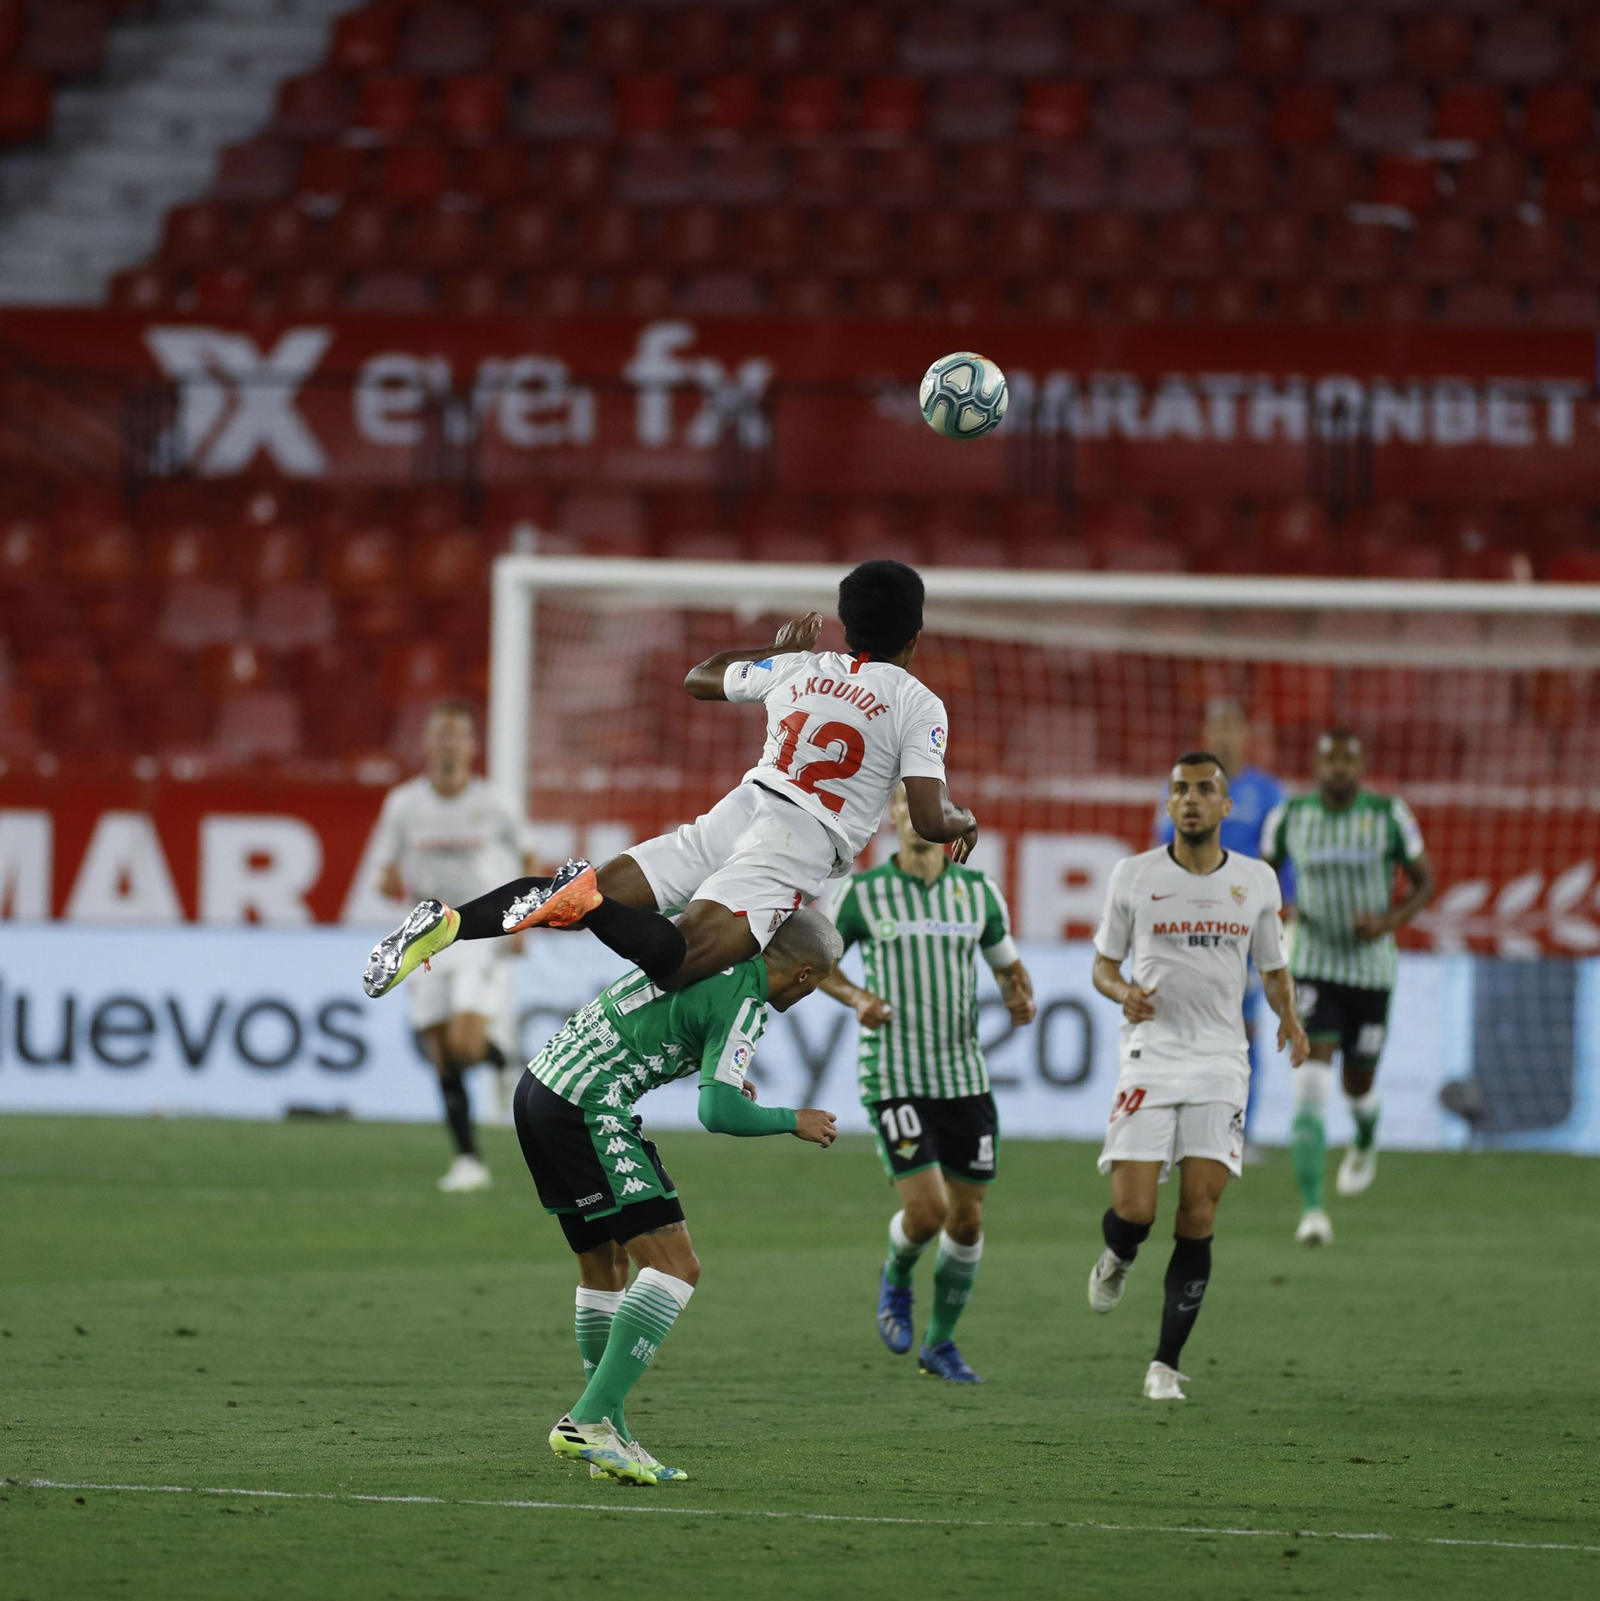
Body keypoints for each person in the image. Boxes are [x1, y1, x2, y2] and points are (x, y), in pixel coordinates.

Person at [362, 561, 979, 1008]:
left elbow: (699, 678)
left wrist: (773, 649)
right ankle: (589, 900)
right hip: (798, 843)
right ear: (915, 635)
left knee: (585, 896)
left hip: (740, 811)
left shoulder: (801, 666)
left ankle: (449, 922)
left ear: (845, 624)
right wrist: (961, 820)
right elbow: (927, 818)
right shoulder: (918, 702)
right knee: (679, 963)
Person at [519, 908, 843, 1486]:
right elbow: (718, 1112)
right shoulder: (747, 1000)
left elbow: (674, 1019)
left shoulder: (708, 946)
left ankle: (607, 1433)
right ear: (803, 974)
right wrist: (793, 1118)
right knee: (676, 1266)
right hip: (589, 1108)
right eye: (819, 981)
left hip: (541, 1089)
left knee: (605, 1264)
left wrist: (717, 1066)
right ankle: (588, 1422)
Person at [1089, 753, 1308, 1401]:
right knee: (1135, 1211)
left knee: (1198, 1209)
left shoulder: (1257, 881)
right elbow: (1102, 964)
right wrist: (1121, 991)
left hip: (1220, 1059)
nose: (1191, 799)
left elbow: (1272, 968)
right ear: (1168, 804)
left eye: (1204, 789)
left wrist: (1289, 1019)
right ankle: (1118, 1255)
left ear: (1226, 805)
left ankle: (1164, 1362)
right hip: (1151, 1055)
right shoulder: (1133, 875)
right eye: (1179, 789)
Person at [819, 785, 1036, 1384]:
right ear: (890, 818)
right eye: (905, 806)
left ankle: (940, 1346)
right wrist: (857, 996)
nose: (916, 818)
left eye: (929, 809)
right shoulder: (862, 894)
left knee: (967, 1221)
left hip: (964, 1075)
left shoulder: (979, 893)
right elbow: (814, 960)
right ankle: (897, 1274)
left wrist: (1021, 996)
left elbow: (1008, 967)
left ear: (949, 822)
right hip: (894, 1074)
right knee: (929, 1212)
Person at [1260, 729, 1435, 1246]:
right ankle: (1312, 1211)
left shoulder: (1389, 816)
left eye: (1347, 759)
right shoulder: (1290, 817)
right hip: (1311, 964)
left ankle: (1364, 1135)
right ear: (1317, 764)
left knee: (1356, 1087)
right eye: (1329, 758)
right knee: (1310, 1085)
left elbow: (1425, 880)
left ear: (1361, 766)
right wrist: (1275, 913)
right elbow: (1260, 879)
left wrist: (1389, 921)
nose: (1338, 767)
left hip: (1371, 970)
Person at [368, 700, 533, 1192]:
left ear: (470, 746)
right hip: (426, 930)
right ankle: (468, 1160)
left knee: (463, 1043)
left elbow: (528, 852)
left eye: (457, 735)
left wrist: (525, 919)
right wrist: (387, 881)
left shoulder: (495, 802)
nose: (447, 744)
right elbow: (384, 870)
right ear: (427, 744)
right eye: (439, 734)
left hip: (480, 928)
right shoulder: (404, 804)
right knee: (439, 1052)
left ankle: (503, 1062)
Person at [1153, 698, 1289, 1158]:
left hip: (1243, 931)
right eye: (1219, 728)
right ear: (1206, 735)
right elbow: (1162, 854)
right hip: (1185, 924)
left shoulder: (1269, 794)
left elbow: (1283, 866)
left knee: (1241, 1030)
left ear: (1248, 735)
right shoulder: (1181, 784)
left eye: (1235, 727)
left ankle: (1238, 1133)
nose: (1227, 736)